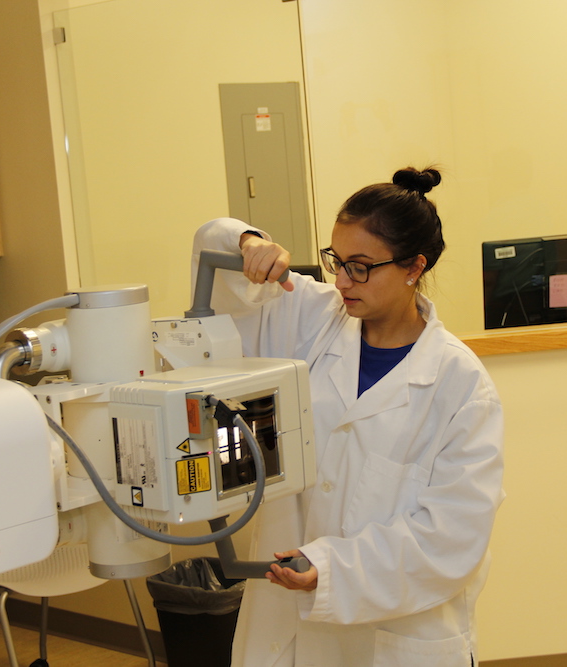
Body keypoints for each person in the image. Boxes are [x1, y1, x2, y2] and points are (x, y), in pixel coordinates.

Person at [192, 167, 504, 667]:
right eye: (336, 260)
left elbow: (451, 535)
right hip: (286, 627)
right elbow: (214, 250)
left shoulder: (459, 384)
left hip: (393, 635)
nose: (340, 281)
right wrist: (250, 243)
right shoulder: (309, 318)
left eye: (359, 267)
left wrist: (333, 570)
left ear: (413, 266)